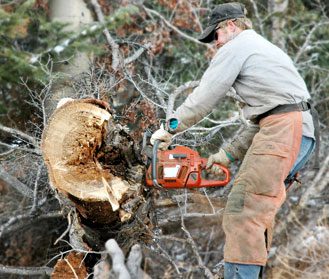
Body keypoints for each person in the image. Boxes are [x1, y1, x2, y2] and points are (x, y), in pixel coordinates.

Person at [150, 2, 316, 278]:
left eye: (215, 36)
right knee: (255, 210)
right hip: (292, 130)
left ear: (230, 25)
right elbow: (266, 118)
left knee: (242, 210)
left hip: (286, 130)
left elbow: (205, 97)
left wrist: (169, 128)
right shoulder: (258, 47)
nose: (214, 44)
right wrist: (226, 155)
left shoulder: (237, 46)